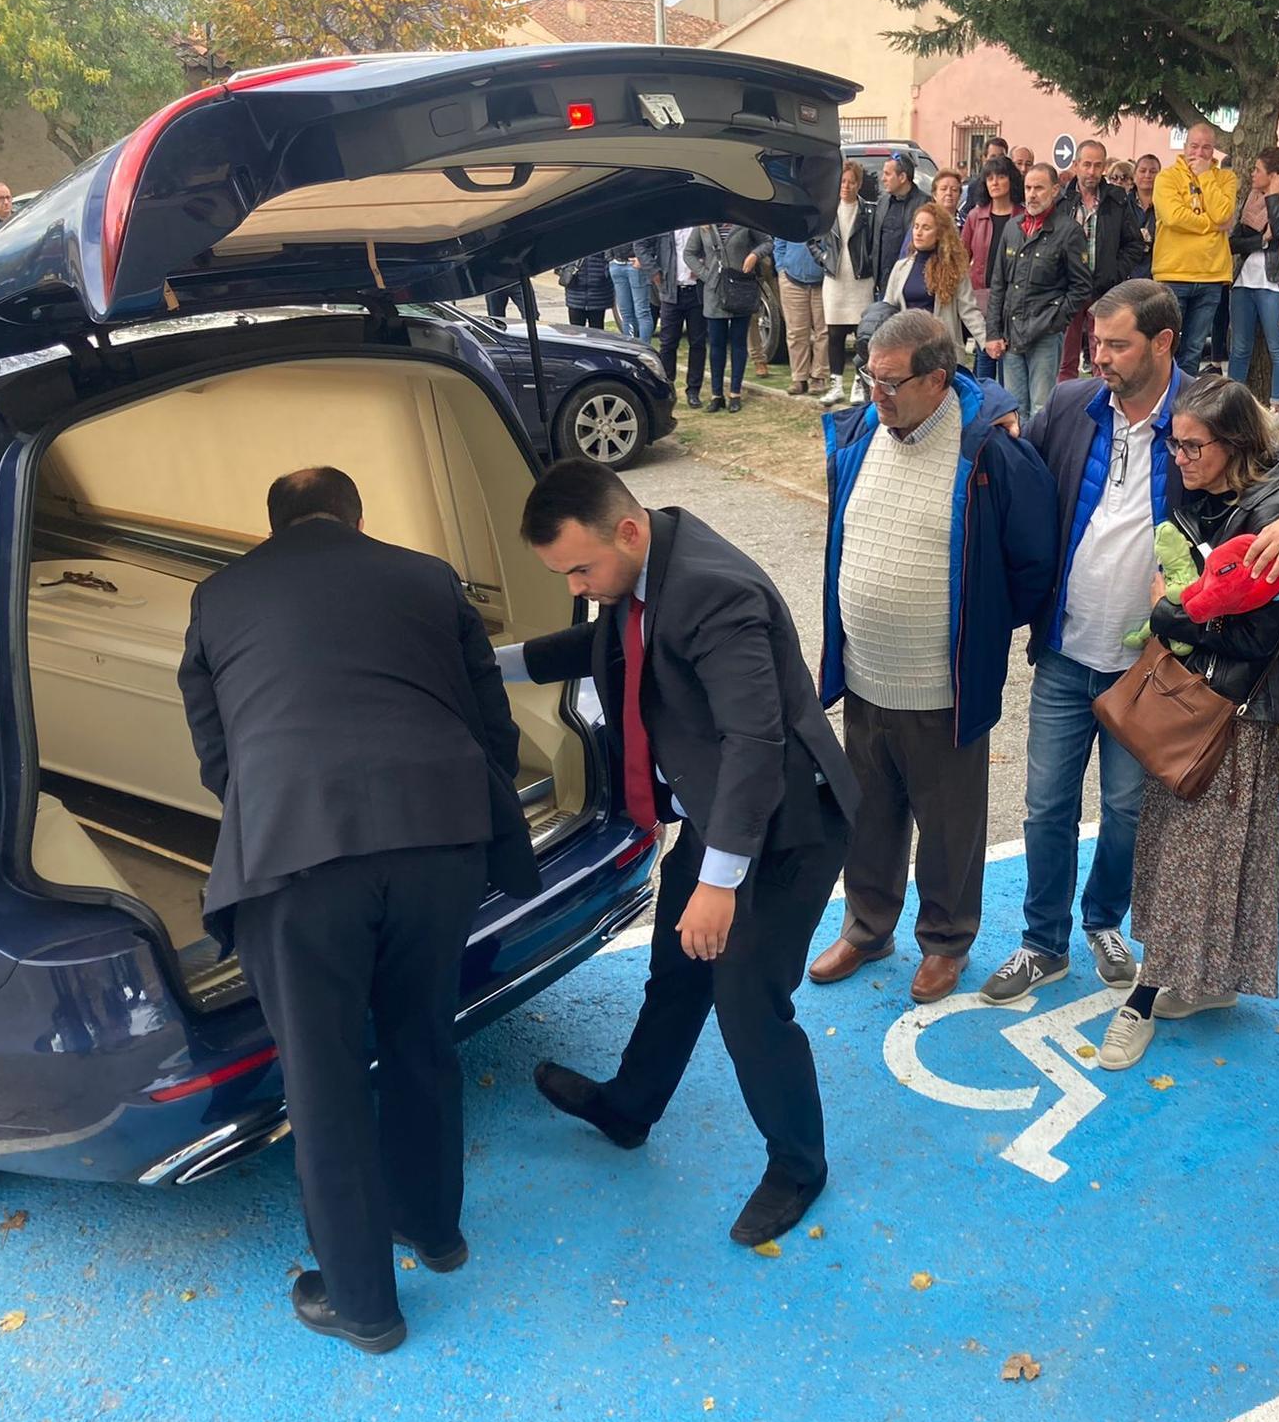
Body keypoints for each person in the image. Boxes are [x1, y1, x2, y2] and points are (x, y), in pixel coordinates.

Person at [177, 467, 538, 1354]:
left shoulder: (219, 597)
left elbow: (216, 755)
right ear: (356, 515)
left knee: (325, 1077)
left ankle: (364, 1305)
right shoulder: (425, 576)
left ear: (273, 526)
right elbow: (490, 720)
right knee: (421, 1036)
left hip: (299, 857)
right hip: (440, 836)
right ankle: (435, 1230)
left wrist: (283, 803)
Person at [514, 461, 858, 1248]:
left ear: (625, 531)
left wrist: (720, 882)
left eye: (580, 568)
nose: (578, 585)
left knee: (747, 1003)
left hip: (783, 828)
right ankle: (631, 1109)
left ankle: (799, 1165)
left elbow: (754, 740)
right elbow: (605, 643)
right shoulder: (644, 560)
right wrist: (492, 666)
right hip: (722, 813)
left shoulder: (711, 590)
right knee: (677, 970)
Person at [982, 279, 1279, 1003]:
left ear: (1164, 342)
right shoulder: (1073, 402)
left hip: (1150, 664)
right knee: (1046, 807)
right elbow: (1002, 423)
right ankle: (1040, 942)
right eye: (1096, 342)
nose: (1099, 356)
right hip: (1063, 651)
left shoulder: (1200, 412)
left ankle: (1102, 919)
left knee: (1126, 811)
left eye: (1117, 344)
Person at [809, 310, 1056, 1002]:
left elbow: (1034, 562)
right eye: (869, 379)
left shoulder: (991, 453)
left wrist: (979, 627)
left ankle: (946, 941)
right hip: (864, 675)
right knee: (869, 810)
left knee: (948, 826)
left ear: (938, 380)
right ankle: (867, 926)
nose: (875, 395)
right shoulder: (860, 432)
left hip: (941, 684)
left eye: (890, 383)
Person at [1095, 375, 1279, 1069]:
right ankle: (1206, 981)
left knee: (1199, 854)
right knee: (1181, 850)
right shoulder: (1206, 491)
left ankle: (1143, 998)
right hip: (1190, 700)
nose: (1179, 456)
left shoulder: (1274, 514)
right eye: (1176, 441)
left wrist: (1170, 613)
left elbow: (1259, 641)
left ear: (1234, 446)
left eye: (1194, 446)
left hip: (1229, 712)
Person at [984, 162, 1092, 417]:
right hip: (1011, 334)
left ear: (1055, 190)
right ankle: (1016, 456)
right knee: (1013, 408)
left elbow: (1081, 287)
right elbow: (998, 283)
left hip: (1045, 334)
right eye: (1028, 187)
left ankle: (1038, 457)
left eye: (1039, 188)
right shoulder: (1013, 228)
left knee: (1041, 409)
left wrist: (1055, 319)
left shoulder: (1068, 232)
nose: (1032, 194)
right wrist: (992, 332)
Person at [1057, 139, 1150, 381]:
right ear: (1076, 165)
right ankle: (1066, 405)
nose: (1092, 171)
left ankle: (1102, 405)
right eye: (1086, 164)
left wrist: (1115, 273)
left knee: (1103, 355)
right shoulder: (1062, 201)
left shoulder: (1116, 200)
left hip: (1103, 288)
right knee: (1065, 359)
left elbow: (1134, 244)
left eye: (1098, 165)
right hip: (1068, 288)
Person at [1226, 146, 1279, 420]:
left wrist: (1273, 195)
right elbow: (1234, 242)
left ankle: (1277, 405)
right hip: (1244, 281)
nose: (1252, 174)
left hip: (1273, 282)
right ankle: (1232, 399)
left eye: (1258, 170)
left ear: (1273, 175)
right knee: (1239, 346)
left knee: (1278, 346)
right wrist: (1260, 241)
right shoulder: (1250, 201)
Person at [1153, 124, 1239, 376]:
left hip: (1211, 276)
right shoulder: (1167, 178)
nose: (1199, 152)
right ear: (1184, 146)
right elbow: (1174, 217)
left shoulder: (1225, 178)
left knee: (1193, 350)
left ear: (1214, 150)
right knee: (1166, 348)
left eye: (1206, 147)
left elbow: (1225, 212)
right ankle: (1161, 405)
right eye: (1194, 146)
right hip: (1174, 273)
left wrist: (1205, 177)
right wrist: (1213, 226)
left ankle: (1183, 407)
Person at [686, 222, 771, 414]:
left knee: (738, 342)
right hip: (714, 292)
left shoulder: (745, 219)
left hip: (740, 288)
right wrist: (705, 275)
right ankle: (717, 395)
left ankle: (735, 393)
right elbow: (689, 253)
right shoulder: (704, 225)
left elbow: (767, 242)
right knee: (716, 344)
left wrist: (754, 255)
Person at [885, 203, 987, 354]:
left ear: (939, 233)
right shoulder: (900, 267)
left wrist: (987, 341)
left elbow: (969, 310)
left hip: (940, 350)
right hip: (906, 349)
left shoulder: (954, 269)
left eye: (926, 228)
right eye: (916, 226)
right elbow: (888, 308)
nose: (918, 233)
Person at [817, 162, 877, 407]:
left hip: (860, 280)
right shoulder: (827, 210)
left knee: (861, 334)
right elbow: (812, 238)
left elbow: (874, 241)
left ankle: (859, 383)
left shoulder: (868, 212)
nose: (846, 186)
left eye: (852, 181)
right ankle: (836, 384)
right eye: (842, 181)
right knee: (834, 334)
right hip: (834, 279)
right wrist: (822, 258)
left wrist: (870, 263)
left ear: (859, 184)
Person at [959, 156, 1022, 382]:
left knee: (1010, 364)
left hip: (1015, 298)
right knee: (984, 358)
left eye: (1001, 177)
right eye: (989, 178)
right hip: (984, 298)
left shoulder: (1023, 217)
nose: (994, 182)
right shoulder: (976, 216)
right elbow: (962, 256)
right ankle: (983, 412)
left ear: (1011, 180)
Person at [653, 227, 707, 409]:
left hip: (696, 292)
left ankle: (693, 390)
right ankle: (667, 389)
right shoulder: (666, 225)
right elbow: (641, 245)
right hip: (671, 292)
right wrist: (653, 270)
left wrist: (702, 266)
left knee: (698, 343)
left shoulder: (701, 225)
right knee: (667, 343)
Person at [774, 233, 830, 396]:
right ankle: (799, 377)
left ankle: (819, 377)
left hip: (824, 279)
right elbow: (780, 240)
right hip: (791, 278)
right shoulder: (791, 212)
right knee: (796, 332)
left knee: (824, 331)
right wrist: (781, 269)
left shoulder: (827, 213)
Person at [872, 154, 931, 273]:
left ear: (902, 177)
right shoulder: (883, 203)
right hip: (883, 283)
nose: (883, 179)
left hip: (909, 278)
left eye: (888, 174)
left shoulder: (924, 204)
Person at [606, 238, 660, 344]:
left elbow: (653, 239)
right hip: (616, 264)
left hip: (635, 265)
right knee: (626, 313)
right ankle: (630, 348)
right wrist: (609, 257)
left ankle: (644, 348)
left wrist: (643, 259)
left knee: (642, 311)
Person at [558, 251, 614, 330]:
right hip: (575, 290)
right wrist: (566, 269)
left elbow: (610, 256)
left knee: (596, 332)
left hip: (598, 292)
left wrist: (605, 272)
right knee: (576, 331)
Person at [1127, 153, 1160, 280]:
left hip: (1156, 272)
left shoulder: (1167, 205)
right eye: (1142, 171)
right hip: (1128, 273)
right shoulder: (1123, 205)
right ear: (1134, 176)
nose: (1147, 175)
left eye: (1153, 172)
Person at [960, 135, 1011, 217]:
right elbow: (967, 213)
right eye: (993, 156)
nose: (997, 161)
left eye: (1001, 156)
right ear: (984, 159)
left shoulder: (1013, 182)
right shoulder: (975, 186)